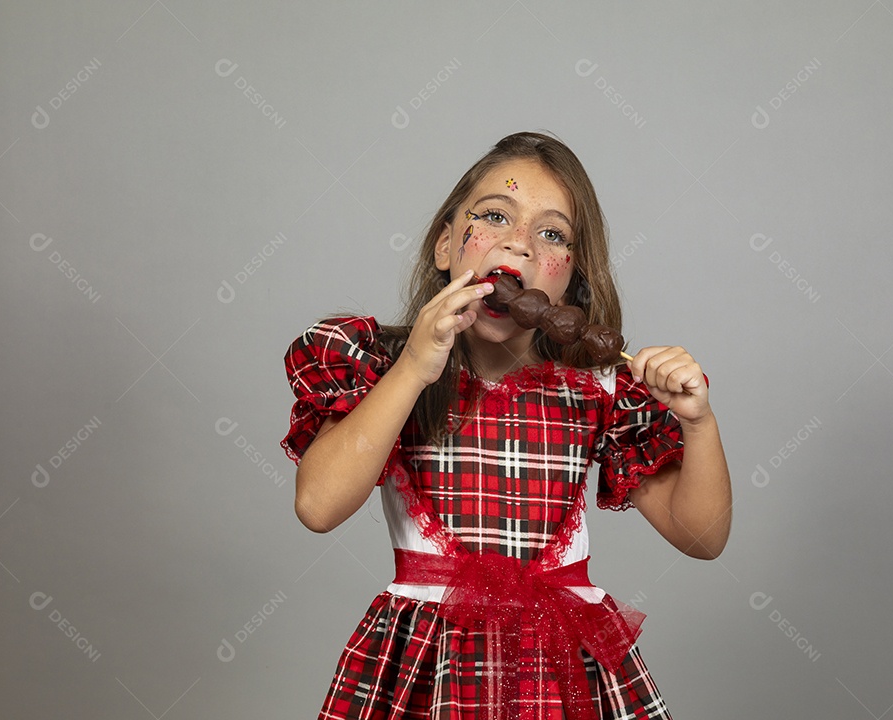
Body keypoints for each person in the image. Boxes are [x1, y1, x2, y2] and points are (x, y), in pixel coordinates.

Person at [280, 131, 731, 720]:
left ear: (569, 280)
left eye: (551, 234)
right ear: (446, 245)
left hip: (563, 664)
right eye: (494, 216)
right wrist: (416, 364)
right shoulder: (381, 366)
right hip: (429, 661)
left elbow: (703, 538)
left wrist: (698, 423)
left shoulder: (597, 390)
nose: (517, 246)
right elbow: (318, 505)